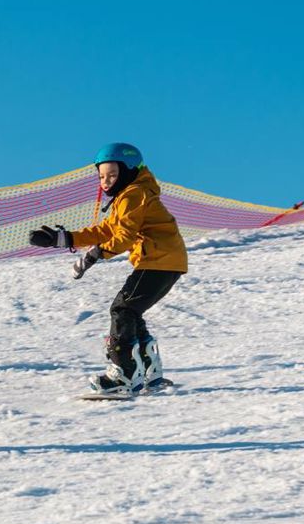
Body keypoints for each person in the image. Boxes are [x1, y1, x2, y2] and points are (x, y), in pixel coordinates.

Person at [29, 142, 188, 395]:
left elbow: (123, 236)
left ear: (128, 172)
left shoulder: (134, 194)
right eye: (102, 176)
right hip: (164, 261)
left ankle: (123, 375)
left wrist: (94, 255)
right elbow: (106, 230)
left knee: (122, 309)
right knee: (131, 312)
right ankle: (148, 372)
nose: (106, 181)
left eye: (113, 175)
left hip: (159, 260)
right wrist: (64, 238)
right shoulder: (128, 196)